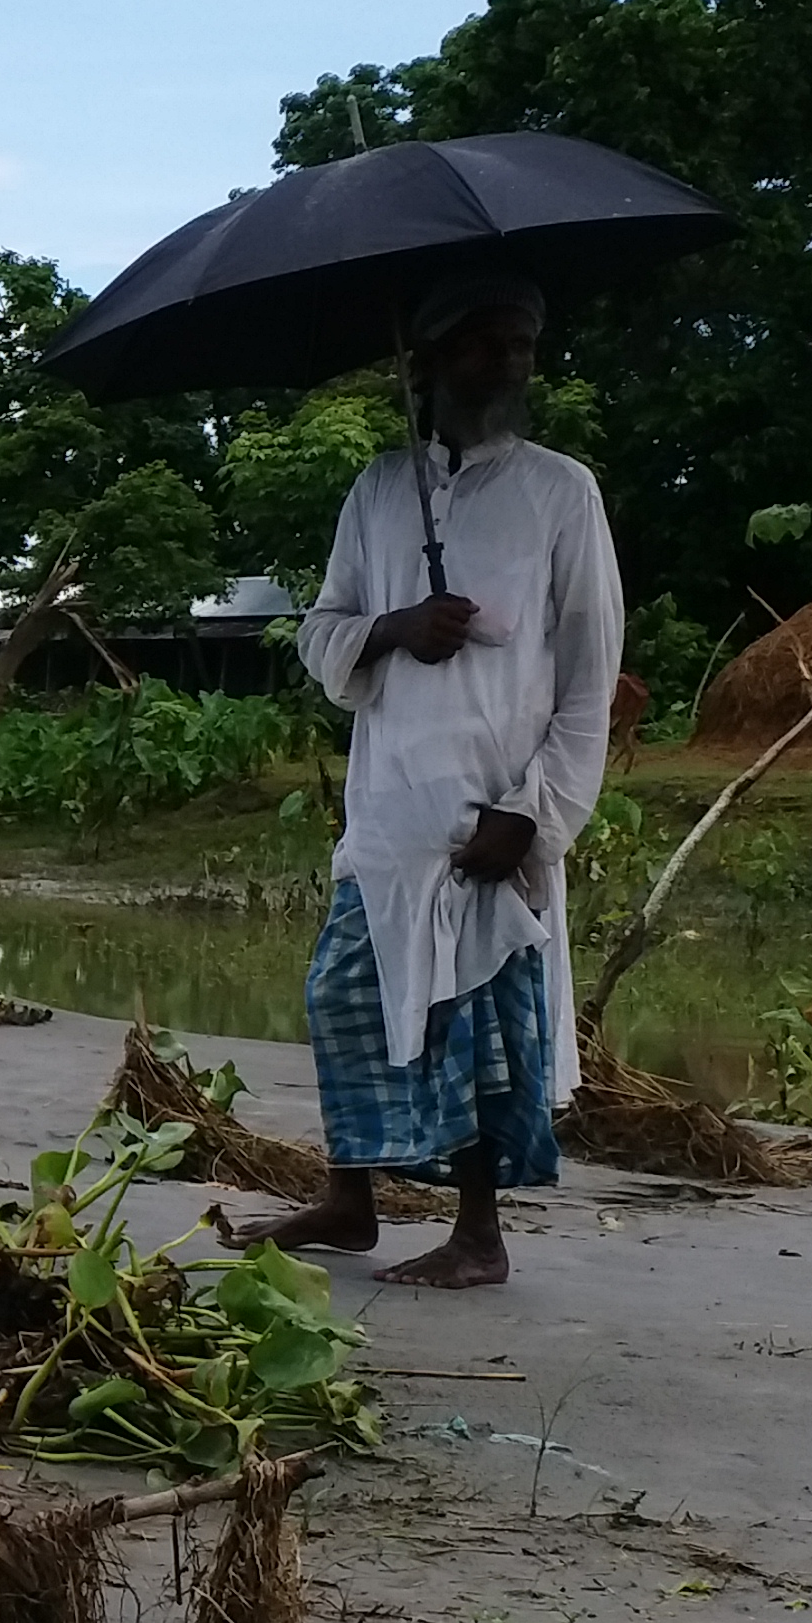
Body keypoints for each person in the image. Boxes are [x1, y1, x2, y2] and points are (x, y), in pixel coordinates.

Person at [232, 273, 622, 1288]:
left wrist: (535, 819)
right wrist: (395, 628)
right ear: (428, 362)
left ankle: (478, 1234)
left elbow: (589, 679)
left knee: (478, 1024)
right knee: (344, 998)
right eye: (481, 344)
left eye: (520, 345)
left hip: (492, 813)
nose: (505, 364)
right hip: (389, 812)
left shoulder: (561, 493)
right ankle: (350, 1200)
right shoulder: (375, 491)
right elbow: (323, 637)